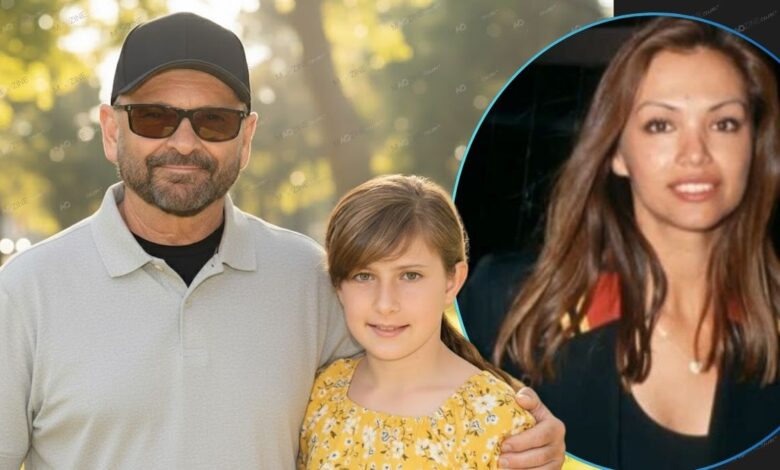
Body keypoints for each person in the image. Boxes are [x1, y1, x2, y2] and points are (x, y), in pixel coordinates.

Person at [0, 12, 564, 470]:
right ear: (110, 128)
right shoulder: (24, 294)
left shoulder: (309, 277)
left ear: (246, 139)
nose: (184, 140)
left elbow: (409, 376)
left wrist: (528, 425)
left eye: (214, 122)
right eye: (153, 117)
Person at [492, 17, 780, 469]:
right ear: (617, 155)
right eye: (661, 125)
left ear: (755, 147)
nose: (695, 153)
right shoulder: (505, 305)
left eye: (724, 123)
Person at [298, 175, 537, 469]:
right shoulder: (323, 392)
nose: (385, 304)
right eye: (364, 276)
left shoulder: (495, 417)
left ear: (452, 282)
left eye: (410, 275)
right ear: (338, 285)